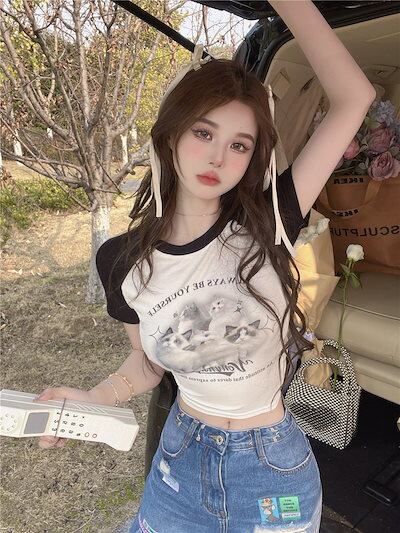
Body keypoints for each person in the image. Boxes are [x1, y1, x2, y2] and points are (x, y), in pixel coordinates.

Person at [35, 1, 376, 531]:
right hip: (180, 461)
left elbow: (354, 98)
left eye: (239, 145)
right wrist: (93, 398)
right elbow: (147, 362)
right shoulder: (122, 260)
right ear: (171, 134)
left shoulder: (271, 223)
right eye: (203, 133)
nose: (218, 157)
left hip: (270, 468)